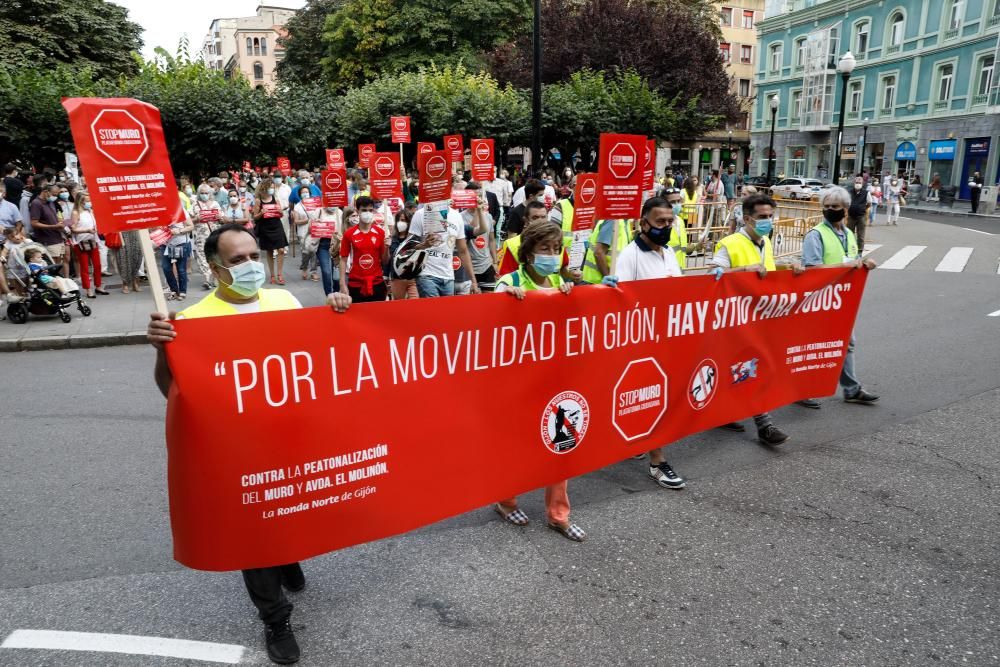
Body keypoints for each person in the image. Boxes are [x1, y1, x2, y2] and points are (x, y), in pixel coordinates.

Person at [147, 223, 351, 666]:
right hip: (237, 449)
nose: (250, 266)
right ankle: (275, 617)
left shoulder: (284, 301)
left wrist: (337, 311)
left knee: (292, 509)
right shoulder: (195, 321)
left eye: (253, 256)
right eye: (237, 260)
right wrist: (164, 350)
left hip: (292, 438)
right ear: (216, 268)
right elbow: (173, 393)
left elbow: (319, 362)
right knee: (253, 533)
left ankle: (286, 555)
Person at [494, 221, 585, 542]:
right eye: (544, 249)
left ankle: (558, 514)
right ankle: (506, 501)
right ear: (528, 252)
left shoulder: (560, 282)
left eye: (555, 249)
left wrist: (587, 292)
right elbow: (487, 324)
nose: (550, 255)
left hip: (555, 380)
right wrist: (505, 298)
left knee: (562, 445)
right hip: (518, 384)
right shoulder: (509, 281)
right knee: (517, 446)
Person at [602, 197, 686, 489]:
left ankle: (638, 439)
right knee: (654, 400)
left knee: (651, 402)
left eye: (669, 222)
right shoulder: (629, 256)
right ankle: (658, 462)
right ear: (643, 223)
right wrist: (609, 288)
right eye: (659, 222)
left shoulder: (669, 253)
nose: (665, 227)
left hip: (667, 340)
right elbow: (621, 300)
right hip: (641, 345)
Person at [709, 193, 798, 446]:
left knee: (741, 368)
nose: (768, 221)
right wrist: (743, 271)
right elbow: (712, 274)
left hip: (759, 317)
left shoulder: (765, 242)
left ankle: (722, 413)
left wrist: (788, 268)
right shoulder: (730, 243)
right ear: (747, 218)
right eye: (762, 217)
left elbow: (766, 273)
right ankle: (764, 425)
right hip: (734, 319)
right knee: (748, 368)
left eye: (770, 216)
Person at [799, 187, 880, 406]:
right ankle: (801, 391)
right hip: (817, 301)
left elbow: (852, 260)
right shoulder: (815, 235)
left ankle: (851, 389)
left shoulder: (849, 234)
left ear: (845, 209)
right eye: (826, 207)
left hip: (841, 301)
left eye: (834, 207)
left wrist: (863, 264)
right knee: (813, 346)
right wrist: (845, 266)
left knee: (846, 342)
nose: (829, 210)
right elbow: (812, 270)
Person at [406, 200, 477, 298]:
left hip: (448, 276)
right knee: (433, 311)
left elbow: (463, 251)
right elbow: (408, 246)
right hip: (426, 274)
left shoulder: (456, 216)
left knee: (446, 312)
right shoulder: (420, 214)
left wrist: (473, 280)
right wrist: (424, 245)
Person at [339, 196, 389, 302]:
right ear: (358, 211)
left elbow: (385, 261)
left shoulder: (380, 233)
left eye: (370, 210)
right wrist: (342, 284)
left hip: (377, 283)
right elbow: (343, 259)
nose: (367, 213)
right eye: (364, 210)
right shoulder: (349, 234)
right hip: (356, 284)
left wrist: (387, 247)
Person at [69, 192, 108, 298]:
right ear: (81, 201)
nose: (89, 202)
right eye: (86, 200)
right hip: (81, 243)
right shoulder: (76, 213)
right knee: (85, 267)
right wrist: (86, 230)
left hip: (93, 240)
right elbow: (73, 229)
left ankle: (98, 286)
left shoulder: (90, 211)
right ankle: (88, 289)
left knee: (97, 265)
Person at [461, 183, 498, 292]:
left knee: (489, 301)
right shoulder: (460, 217)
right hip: (469, 268)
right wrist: (477, 211)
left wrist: (495, 262)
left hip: (486, 265)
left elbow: (491, 240)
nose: (478, 199)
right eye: (474, 196)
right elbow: (470, 233)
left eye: (480, 196)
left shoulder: (488, 216)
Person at [252, 180, 289, 284]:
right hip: (265, 227)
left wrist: (280, 211)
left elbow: (281, 215)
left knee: (281, 250)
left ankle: (280, 274)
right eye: (270, 187)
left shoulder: (275, 199)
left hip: (277, 225)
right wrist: (261, 213)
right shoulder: (258, 201)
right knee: (269, 251)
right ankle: (272, 275)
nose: (272, 189)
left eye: (273, 187)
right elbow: (255, 217)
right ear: (264, 188)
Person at [29, 184, 68, 276]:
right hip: (48, 240)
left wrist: (61, 223)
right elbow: (34, 223)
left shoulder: (50, 202)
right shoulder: (36, 203)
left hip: (58, 237)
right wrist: (53, 226)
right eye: (54, 194)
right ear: (46, 192)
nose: (55, 197)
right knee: (52, 265)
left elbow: (54, 217)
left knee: (59, 264)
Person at [191, 184, 223, 290]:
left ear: (210, 193)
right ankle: (207, 278)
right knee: (202, 256)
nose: (204, 195)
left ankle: (215, 277)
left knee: (215, 255)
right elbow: (188, 221)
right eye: (202, 193)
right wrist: (196, 218)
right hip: (200, 236)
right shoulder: (195, 205)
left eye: (206, 193)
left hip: (214, 234)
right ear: (199, 194)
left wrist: (219, 217)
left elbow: (223, 218)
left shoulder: (215, 204)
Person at [162, 213, 193, 301]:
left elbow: (191, 226)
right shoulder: (161, 210)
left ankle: (182, 291)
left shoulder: (180, 210)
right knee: (166, 268)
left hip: (180, 243)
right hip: (166, 244)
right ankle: (174, 291)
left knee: (181, 269)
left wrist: (179, 231)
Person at [291, 186, 320, 282]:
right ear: (300, 195)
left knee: (314, 252)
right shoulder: (298, 206)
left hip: (314, 231)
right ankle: (304, 268)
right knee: (305, 252)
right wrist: (308, 220)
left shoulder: (315, 204)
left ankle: (314, 272)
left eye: (307, 192)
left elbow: (320, 215)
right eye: (303, 192)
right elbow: (296, 221)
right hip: (303, 232)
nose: (305, 194)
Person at [846, 175, 871, 252]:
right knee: (850, 234)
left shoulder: (866, 193)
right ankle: (850, 249)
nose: (858, 184)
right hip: (851, 216)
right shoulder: (849, 192)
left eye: (859, 182)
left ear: (862, 184)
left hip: (861, 217)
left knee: (861, 236)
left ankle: (860, 251)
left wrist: (863, 208)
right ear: (854, 183)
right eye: (856, 182)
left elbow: (869, 203)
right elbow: (846, 202)